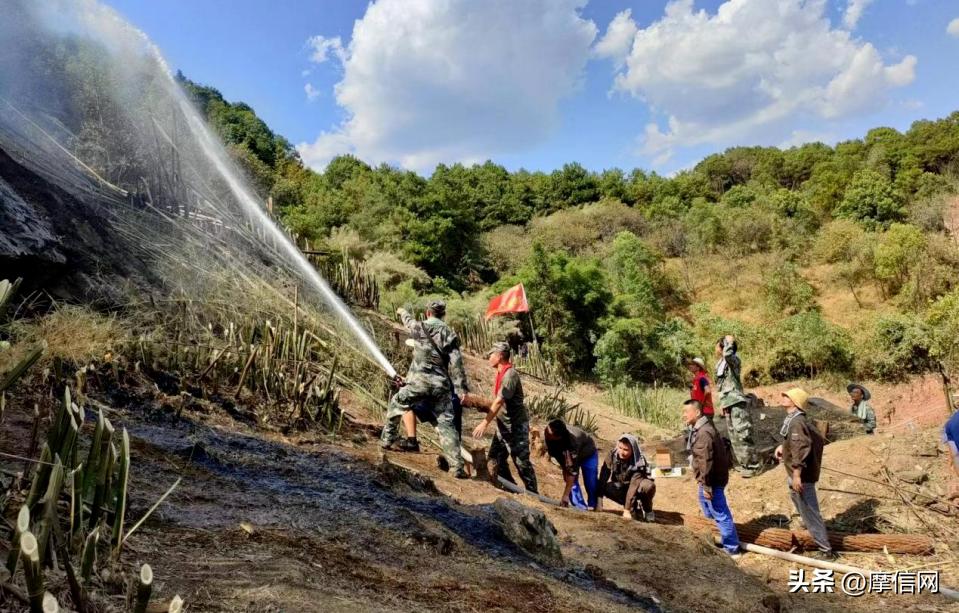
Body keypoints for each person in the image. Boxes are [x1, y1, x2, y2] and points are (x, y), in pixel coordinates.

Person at [380, 300, 470, 479]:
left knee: (398, 402)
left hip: (418, 383)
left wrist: (402, 311)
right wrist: (461, 389)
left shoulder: (419, 327)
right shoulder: (449, 333)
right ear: (442, 314)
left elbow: (408, 321)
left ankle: (387, 440)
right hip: (440, 386)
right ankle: (456, 467)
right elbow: (457, 363)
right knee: (446, 425)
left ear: (428, 313)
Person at [775, 388, 836, 561]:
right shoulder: (794, 420)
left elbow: (800, 447)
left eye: (787, 396)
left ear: (795, 402)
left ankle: (826, 550)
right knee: (804, 507)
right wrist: (782, 447)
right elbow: (794, 442)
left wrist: (797, 475)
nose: (784, 397)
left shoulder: (796, 423)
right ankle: (817, 538)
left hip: (802, 475)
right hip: (799, 472)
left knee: (810, 511)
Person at [471, 342, 538, 493]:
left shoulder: (510, 375)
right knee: (495, 458)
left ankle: (534, 495)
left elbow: (499, 401)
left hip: (515, 427)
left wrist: (484, 423)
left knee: (521, 463)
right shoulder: (501, 373)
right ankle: (510, 488)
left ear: (500, 356)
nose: (489, 357)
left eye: (491, 354)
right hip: (503, 426)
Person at [684, 399, 741, 558]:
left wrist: (707, 486)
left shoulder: (704, 432)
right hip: (709, 479)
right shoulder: (701, 428)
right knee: (706, 506)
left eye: (686, 412)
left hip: (712, 480)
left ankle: (732, 548)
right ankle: (718, 535)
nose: (684, 415)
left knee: (720, 512)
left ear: (696, 412)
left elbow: (705, 462)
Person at [715, 335, 759, 476]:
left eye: (717, 345)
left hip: (737, 402)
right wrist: (722, 403)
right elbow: (721, 386)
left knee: (743, 434)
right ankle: (744, 465)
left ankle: (754, 466)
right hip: (728, 402)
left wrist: (729, 341)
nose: (715, 348)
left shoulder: (733, 360)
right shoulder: (720, 364)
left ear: (724, 347)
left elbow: (728, 354)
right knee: (734, 436)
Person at [597, 434, 656, 521]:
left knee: (648, 486)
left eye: (626, 450)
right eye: (620, 448)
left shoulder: (639, 461)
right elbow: (603, 476)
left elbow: (633, 486)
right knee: (607, 487)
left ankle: (648, 510)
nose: (622, 452)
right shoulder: (612, 454)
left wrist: (626, 510)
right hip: (622, 486)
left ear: (633, 450)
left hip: (637, 487)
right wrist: (599, 499)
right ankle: (633, 506)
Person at [544, 419, 599, 510]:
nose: (546, 433)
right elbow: (564, 464)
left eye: (549, 434)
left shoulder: (571, 444)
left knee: (590, 480)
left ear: (558, 437)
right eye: (547, 430)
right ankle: (580, 507)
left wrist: (565, 495)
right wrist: (565, 468)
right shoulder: (549, 431)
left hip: (588, 454)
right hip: (569, 454)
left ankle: (594, 505)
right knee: (571, 481)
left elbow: (571, 472)